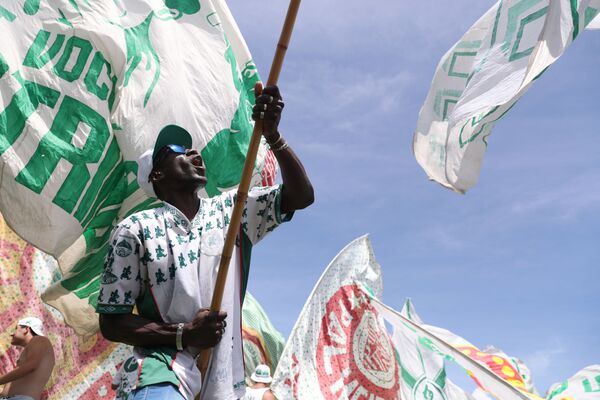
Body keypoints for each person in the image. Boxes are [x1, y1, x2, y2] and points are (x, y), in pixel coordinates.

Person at [97, 82, 313, 400]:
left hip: (224, 376)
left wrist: (273, 137)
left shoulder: (233, 209)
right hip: (162, 369)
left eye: (191, 149)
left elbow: (301, 196)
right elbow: (112, 322)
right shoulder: (135, 229)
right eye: (178, 152)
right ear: (156, 176)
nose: (193, 153)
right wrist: (184, 334)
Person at [0, 317, 55, 400]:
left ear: (26, 329)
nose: (12, 334)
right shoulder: (35, 347)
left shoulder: (40, 340)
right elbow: (7, 391)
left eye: (16, 329)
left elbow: (30, 366)